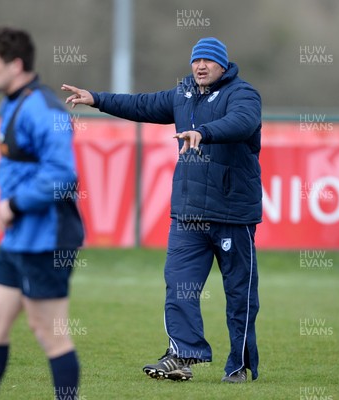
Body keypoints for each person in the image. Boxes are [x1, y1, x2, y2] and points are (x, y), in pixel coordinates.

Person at [62, 37, 261, 383]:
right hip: (188, 214)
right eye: (196, 60)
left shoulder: (243, 94)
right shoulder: (182, 94)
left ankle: (239, 365)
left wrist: (204, 132)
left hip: (232, 214)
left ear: (224, 66)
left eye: (208, 61)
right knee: (179, 284)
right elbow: (140, 105)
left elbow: (243, 123)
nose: (200, 66)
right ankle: (183, 354)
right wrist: (96, 99)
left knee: (239, 295)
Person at [0, 27, 84, 399]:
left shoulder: (42, 108)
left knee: (50, 334)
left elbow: (63, 174)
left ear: (15, 65)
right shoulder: (13, 100)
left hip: (47, 239)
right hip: (19, 237)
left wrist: (14, 204)